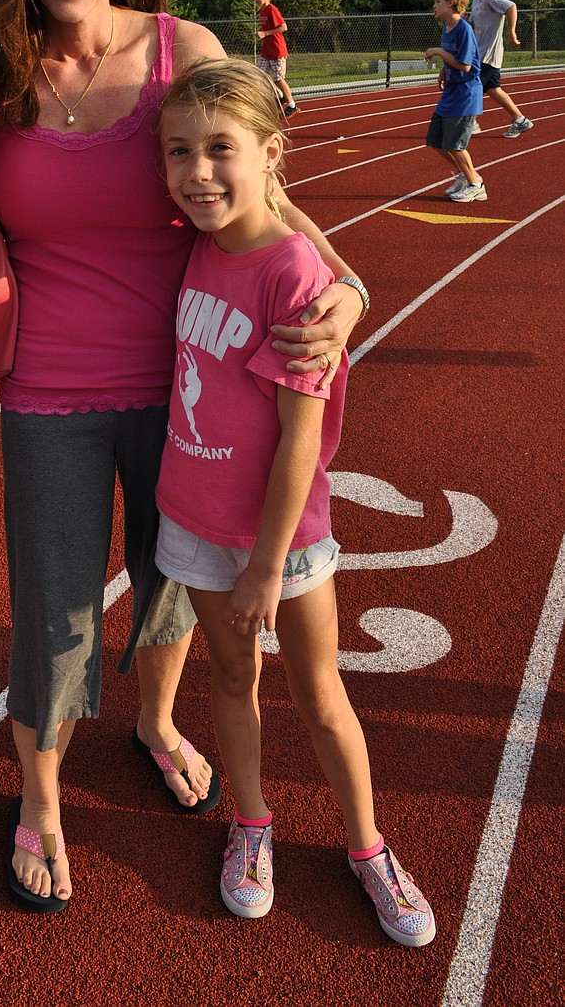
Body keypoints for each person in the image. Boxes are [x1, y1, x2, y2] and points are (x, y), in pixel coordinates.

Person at [0, 0, 367, 913]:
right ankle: (41, 796)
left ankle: (152, 720)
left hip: (191, 388)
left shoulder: (182, 51)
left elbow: (270, 201)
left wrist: (350, 290)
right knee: (53, 610)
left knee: (170, 589)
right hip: (47, 394)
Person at [155, 57, 435, 946]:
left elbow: (299, 441)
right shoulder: (199, 234)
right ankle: (252, 822)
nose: (198, 171)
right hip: (192, 517)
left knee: (320, 694)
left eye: (220, 150)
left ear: (271, 153)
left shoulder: (293, 276)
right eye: (178, 151)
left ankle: (368, 847)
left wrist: (268, 566)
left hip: (283, 542)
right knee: (233, 680)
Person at [424, 0, 485, 203]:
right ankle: (464, 176)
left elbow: (466, 65)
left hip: (465, 94)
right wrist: (443, 71)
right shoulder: (447, 28)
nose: (434, 6)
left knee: (456, 145)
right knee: (435, 140)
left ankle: (476, 184)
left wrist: (438, 52)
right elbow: (452, 56)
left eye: (438, 1)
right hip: (451, 92)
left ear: (451, 3)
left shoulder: (463, 29)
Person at [468, 0, 532, 139]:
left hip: (489, 54)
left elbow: (511, 6)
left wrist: (511, 31)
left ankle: (471, 122)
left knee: (473, 87)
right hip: (479, 53)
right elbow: (472, 25)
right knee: (494, 90)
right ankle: (520, 120)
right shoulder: (476, 2)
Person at [251, 0, 297, 116]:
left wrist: (265, 34)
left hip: (277, 50)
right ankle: (280, 95)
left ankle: (292, 104)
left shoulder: (272, 10)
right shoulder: (262, 11)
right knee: (260, 75)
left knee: (278, 78)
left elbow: (283, 27)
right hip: (267, 50)